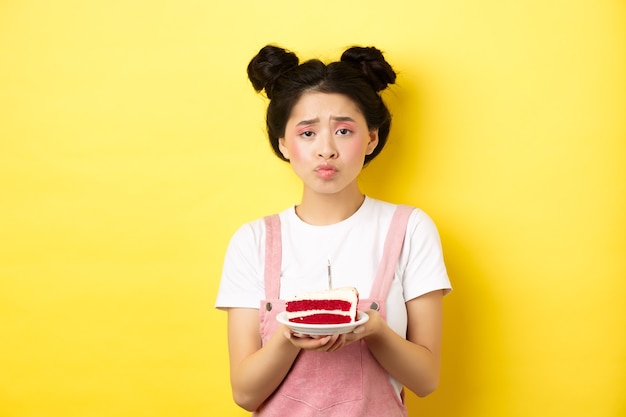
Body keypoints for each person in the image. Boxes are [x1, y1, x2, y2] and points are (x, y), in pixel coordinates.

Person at [215, 44, 452, 417]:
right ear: (283, 143)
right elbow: (245, 394)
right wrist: (289, 337)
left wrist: (373, 330)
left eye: (343, 130)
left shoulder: (409, 229)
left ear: (371, 138)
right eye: (307, 133)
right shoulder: (253, 241)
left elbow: (425, 381)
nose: (326, 150)